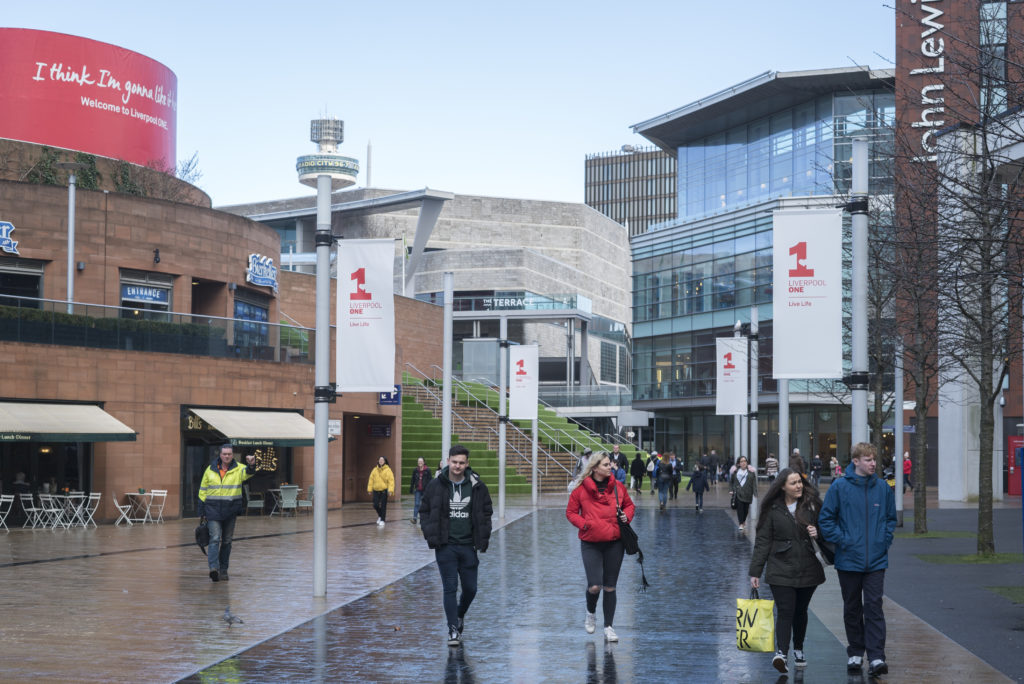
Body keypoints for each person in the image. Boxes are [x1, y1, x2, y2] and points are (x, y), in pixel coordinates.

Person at [819, 442, 897, 677]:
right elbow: (826, 520)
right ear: (856, 461)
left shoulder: (883, 488)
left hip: (876, 560)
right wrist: (843, 540)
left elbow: (891, 519)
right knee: (852, 607)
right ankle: (855, 651)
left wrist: (883, 542)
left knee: (874, 607)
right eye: (868, 459)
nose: (873, 463)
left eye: (874, 459)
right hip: (848, 559)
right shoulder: (839, 487)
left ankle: (876, 657)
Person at [749, 468, 827, 674]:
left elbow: (829, 529)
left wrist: (817, 532)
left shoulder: (812, 505)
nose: (799, 486)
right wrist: (755, 572)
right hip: (780, 568)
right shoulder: (772, 510)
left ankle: (798, 649)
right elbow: (763, 542)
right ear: (783, 486)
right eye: (793, 483)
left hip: (808, 567)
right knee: (785, 610)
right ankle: (781, 653)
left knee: (800, 611)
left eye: (800, 482)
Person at [419, 444, 494, 646]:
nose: (457, 466)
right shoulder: (436, 485)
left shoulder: (477, 486)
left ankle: (460, 614)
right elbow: (424, 510)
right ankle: (452, 629)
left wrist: (483, 536)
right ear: (448, 461)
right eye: (454, 462)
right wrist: (430, 533)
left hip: (468, 546)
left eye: (461, 463)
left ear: (467, 463)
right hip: (446, 546)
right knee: (450, 587)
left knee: (471, 589)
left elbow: (486, 512)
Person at [566, 451, 635, 643]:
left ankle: (609, 627)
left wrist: (626, 516)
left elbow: (630, 505)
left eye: (610, 464)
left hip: (615, 542)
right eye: (606, 464)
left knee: (610, 587)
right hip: (591, 543)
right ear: (595, 468)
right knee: (595, 586)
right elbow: (571, 512)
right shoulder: (580, 489)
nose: (610, 467)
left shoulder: (618, 487)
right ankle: (590, 612)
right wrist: (584, 524)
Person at [197, 443, 256, 582]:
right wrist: (201, 511)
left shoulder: (239, 468)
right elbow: (202, 491)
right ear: (220, 454)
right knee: (215, 538)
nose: (227, 456)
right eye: (224, 454)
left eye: (229, 454)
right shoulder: (210, 469)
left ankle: (223, 570)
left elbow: (248, 473)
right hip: (212, 510)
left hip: (230, 511)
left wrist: (252, 465)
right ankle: (214, 568)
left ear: (232, 455)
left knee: (227, 541)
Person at [729, 456, 757, 531]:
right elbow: (731, 482)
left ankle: (743, 521)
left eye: (745, 461)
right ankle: (741, 523)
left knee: (746, 510)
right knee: (740, 509)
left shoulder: (751, 473)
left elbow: (754, 483)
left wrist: (755, 493)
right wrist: (731, 490)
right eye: (741, 461)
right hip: (738, 493)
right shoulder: (735, 472)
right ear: (739, 463)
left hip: (748, 493)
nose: (743, 463)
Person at [367, 456, 395, 527]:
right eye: (380, 460)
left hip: (384, 491)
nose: (381, 461)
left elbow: (391, 481)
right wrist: (369, 489)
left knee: (383, 506)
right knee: (375, 505)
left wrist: (390, 490)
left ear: (385, 461)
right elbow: (371, 480)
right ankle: (380, 515)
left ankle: (382, 520)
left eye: (382, 460)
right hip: (376, 490)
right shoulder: (374, 470)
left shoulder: (388, 470)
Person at [409, 457, 432, 525]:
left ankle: (425, 518)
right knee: (417, 504)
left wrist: (430, 489)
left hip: (425, 490)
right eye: (419, 461)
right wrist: (411, 488)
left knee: (425, 505)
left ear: (424, 462)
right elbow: (412, 480)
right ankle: (415, 518)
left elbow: (430, 480)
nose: (420, 463)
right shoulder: (415, 470)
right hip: (418, 490)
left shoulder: (427, 470)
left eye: (421, 461)